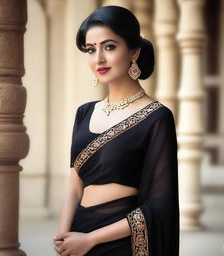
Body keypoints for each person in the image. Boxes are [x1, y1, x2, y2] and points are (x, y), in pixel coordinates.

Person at [53, 5, 179, 256]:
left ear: (133, 51)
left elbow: (160, 204)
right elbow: (74, 187)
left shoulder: (157, 118)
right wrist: (63, 238)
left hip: (120, 240)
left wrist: (91, 240)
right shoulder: (84, 112)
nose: (98, 58)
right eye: (91, 49)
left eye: (109, 46)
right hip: (77, 235)